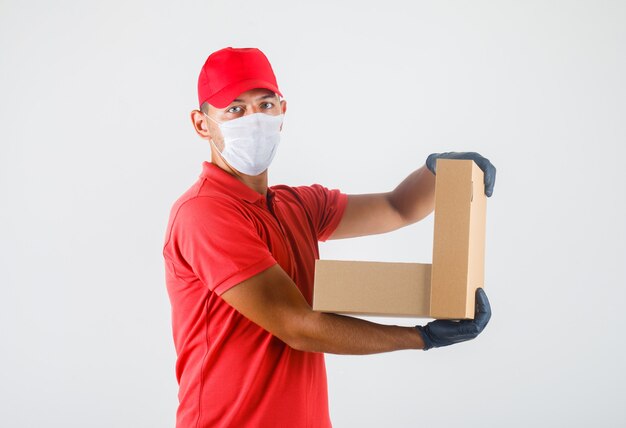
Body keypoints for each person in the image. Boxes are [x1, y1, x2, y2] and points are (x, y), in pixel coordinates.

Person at [163, 47, 496, 428]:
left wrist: (438, 169)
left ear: (282, 113)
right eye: (235, 110)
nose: (254, 120)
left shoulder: (296, 206)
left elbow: (396, 207)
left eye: (266, 105)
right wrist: (420, 337)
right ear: (202, 124)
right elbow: (298, 326)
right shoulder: (205, 213)